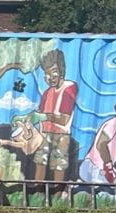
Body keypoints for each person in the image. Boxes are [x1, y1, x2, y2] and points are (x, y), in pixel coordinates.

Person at [35, 49, 77, 182]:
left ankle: (58, 193)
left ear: (61, 72)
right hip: (45, 133)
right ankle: (37, 189)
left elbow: (64, 119)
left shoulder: (69, 88)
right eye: (46, 74)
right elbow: (40, 114)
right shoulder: (47, 93)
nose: (50, 77)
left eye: (53, 72)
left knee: (59, 164)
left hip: (62, 134)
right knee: (40, 161)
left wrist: (43, 117)